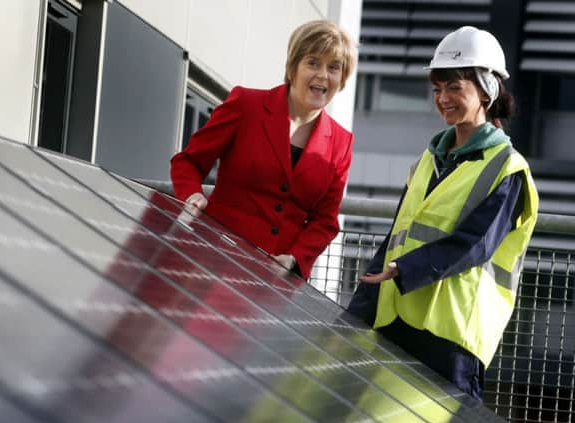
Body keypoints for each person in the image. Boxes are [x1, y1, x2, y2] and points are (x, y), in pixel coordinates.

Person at [347, 26, 539, 401]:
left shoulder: (508, 168)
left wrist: (405, 269)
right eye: (437, 89)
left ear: (487, 90)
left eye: (454, 87)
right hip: (396, 317)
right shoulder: (428, 160)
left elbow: (475, 244)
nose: (443, 99)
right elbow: (397, 236)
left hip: (453, 335)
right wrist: (360, 307)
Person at [170, 20, 356, 279]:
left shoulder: (341, 141)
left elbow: (325, 221)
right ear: (293, 68)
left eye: (334, 67)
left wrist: (294, 258)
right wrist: (192, 194)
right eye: (313, 63)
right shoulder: (245, 104)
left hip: (272, 280)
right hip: (213, 259)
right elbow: (188, 162)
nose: (323, 75)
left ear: (342, 78)